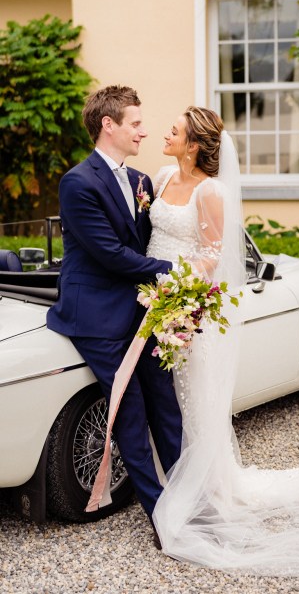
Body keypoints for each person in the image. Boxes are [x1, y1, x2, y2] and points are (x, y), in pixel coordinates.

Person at [146, 106, 299, 574]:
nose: (166, 132)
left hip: (181, 304)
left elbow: (213, 256)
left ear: (194, 144)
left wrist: (174, 290)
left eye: (174, 129)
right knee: (160, 394)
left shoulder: (210, 191)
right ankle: (158, 471)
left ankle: (203, 483)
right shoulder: (158, 178)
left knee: (191, 396)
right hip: (149, 297)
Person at [46, 85, 182, 539]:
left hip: (140, 309)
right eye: (136, 123)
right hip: (96, 315)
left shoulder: (142, 181)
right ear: (110, 125)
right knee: (130, 410)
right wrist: (175, 270)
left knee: (166, 402)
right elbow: (109, 254)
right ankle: (164, 519)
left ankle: (188, 496)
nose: (144, 131)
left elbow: (145, 241)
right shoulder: (78, 182)